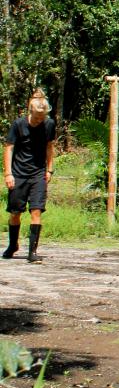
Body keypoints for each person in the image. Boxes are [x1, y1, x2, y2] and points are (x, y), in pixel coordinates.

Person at [4, 90, 56, 263]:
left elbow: (49, 147)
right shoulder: (18, 125)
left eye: (41, 118)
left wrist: (49, 170)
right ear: (30, 112)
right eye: (36, 118)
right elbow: (9, 148)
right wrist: (8, 173)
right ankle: (13, 245)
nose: (38, 121)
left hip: (38, 174)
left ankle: (32, 252)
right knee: (15, 213)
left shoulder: (49, 125)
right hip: (18, 174)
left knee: (36, 210)